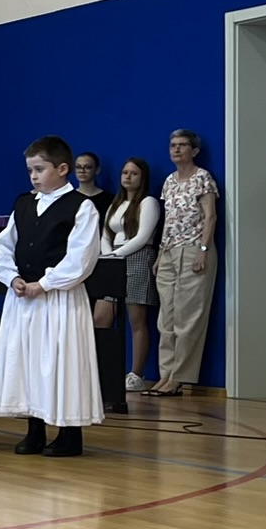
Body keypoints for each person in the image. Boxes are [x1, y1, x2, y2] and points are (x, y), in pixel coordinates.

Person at [0, 135, 104, 456]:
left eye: (39, 169)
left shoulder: (81, 206)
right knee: (28, 361)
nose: (34, 176)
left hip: (59, 299)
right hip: (24, 299)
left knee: (61, 362)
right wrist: (12, 277)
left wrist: (45, 283)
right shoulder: (24, 204)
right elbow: (4, 246)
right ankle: (35, 429)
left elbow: (82, 257)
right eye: (30, 171)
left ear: (62, 169)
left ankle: (69, 433)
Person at [148, 128, 219, 398]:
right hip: (169, 251)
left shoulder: (202, 178)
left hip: (193, 250)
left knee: (187, 318)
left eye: (182, 145)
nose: (176, 149)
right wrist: (160, 254)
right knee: (166, 319)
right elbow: (168, 221)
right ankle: (165, 374)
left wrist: (203, 249)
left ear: (194, 150)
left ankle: (180, 377)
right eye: (173, 145)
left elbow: (210, 216)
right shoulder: (169, 181)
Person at [103, 158, 162, 394]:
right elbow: (105, 234)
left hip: (137, 257)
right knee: (102, 316)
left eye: (134, 173)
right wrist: (108, 256)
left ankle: (136, 374)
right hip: (112, 260)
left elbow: (142, 236)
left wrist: (117, 254)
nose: (128, 177)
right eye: (125, 172)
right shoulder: (115, 204)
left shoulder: (148, 203)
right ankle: (102, 369)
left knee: (136, 319)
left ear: (142, 177)